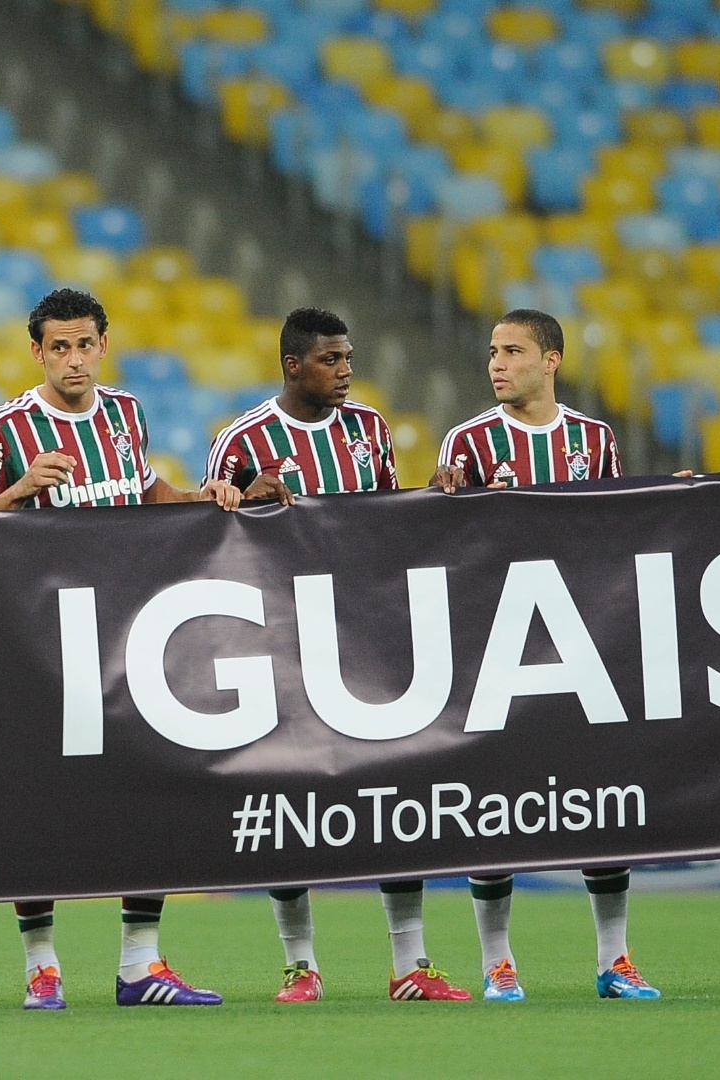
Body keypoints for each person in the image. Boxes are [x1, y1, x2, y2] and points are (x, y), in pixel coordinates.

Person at [0, 288, 241, 1011]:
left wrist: (201, 497)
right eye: (59, 346)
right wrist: (18, 490)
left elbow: (146, 488)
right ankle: (41, 966)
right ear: (37, 352)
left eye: (85, 344)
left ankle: (140, 966)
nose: (74, 359)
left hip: (128, 637)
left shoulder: (123, 414)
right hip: (40, 646)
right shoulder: (9, 425)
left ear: (103, 344)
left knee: (147, 794)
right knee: (37, 806)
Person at [208, 308, 470, 1004]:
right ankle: (301, 965)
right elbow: (211, 538)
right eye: (331, 359)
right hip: (281, 648)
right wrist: (238, 500)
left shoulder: (371, 429)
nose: (346, 370)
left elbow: (388, 528)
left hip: (366, 641)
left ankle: (410, 965)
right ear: (294, 365)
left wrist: (436, 498)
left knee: (394, 796)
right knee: (287, 802)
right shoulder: (243, 438)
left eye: (349, 357)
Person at [433, 308, 658, 1003]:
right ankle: (498, 963)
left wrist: (677, 501)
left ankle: (614, 959)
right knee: (495, 804)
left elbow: (616, 529)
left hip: (582, 643)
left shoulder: (593, 439)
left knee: (599, 802)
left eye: (512, 351)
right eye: (492, 352)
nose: (496, 364)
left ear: (551, 359)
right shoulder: (467, 441)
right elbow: (436, 552)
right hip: (497, 649)